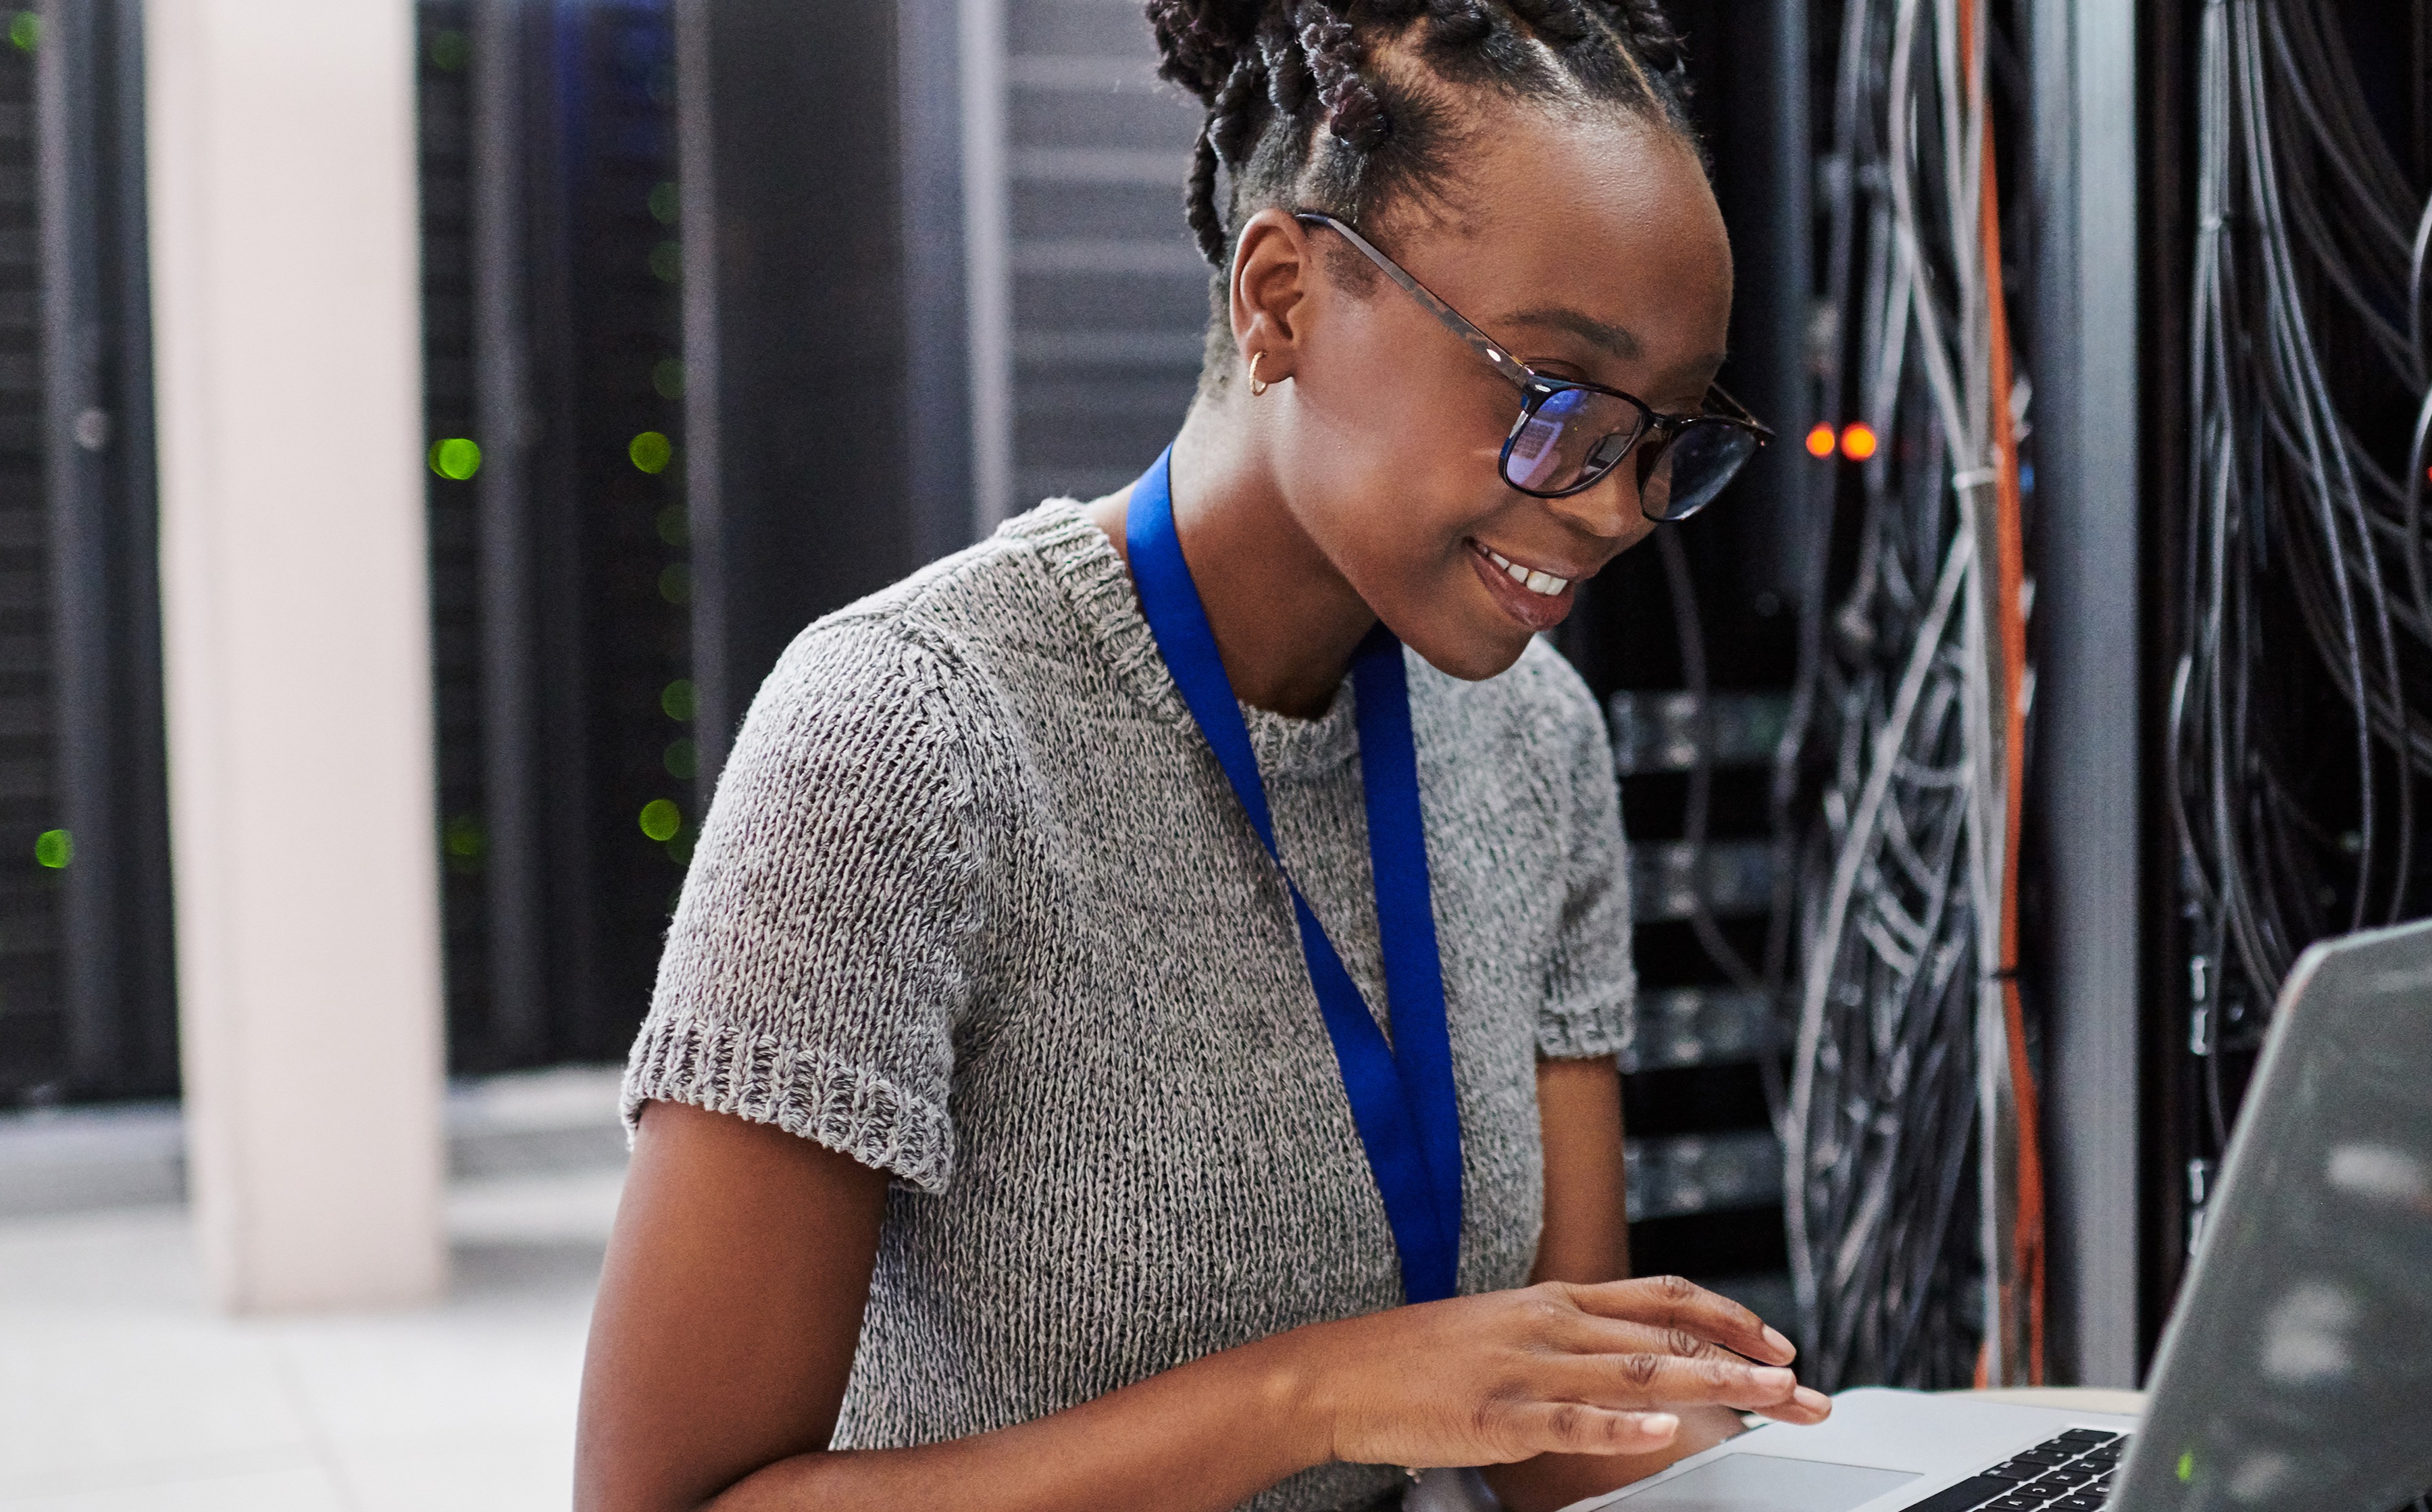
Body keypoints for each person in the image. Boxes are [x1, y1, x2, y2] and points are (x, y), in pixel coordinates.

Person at [572, 3, 1819, 1509]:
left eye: (1667, 438)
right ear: (1281, 297)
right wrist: (1317, 1394)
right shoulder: (909, 735)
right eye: (1555, 400)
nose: (1615, 508)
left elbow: (1561, 1435)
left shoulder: (1532, 741)